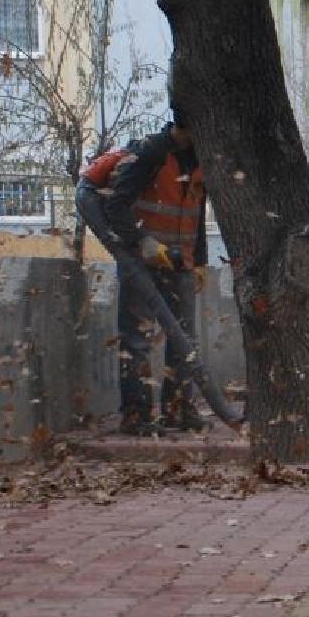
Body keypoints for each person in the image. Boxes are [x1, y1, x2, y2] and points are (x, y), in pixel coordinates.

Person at [99, 115, 209, 436]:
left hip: (180, 263)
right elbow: (115, 206)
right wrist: (143, 242)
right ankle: (136, 414)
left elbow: (197, 214)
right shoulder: (150, 153)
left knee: (184, 339)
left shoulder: (200, 160)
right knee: (137, 340)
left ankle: (177, 409)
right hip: (142, 263)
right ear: (186, 126)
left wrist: (199, 260)